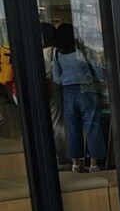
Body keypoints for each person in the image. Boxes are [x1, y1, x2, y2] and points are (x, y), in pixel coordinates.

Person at [52, 23, 106, 172]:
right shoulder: (84, 52)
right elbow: (99, 73)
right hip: (87, 90)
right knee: (92, 126)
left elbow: (57, 78)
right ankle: (93, 164)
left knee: (72, 128)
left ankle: (76, 163)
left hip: (68, 92)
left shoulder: (58, 54)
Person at [41, 22, 69, 166]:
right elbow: (58, 75)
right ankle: (62, 157)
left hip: (39, 89)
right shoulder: (54, 51)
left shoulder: (33, 50)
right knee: (57, 123)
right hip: (52, 87)